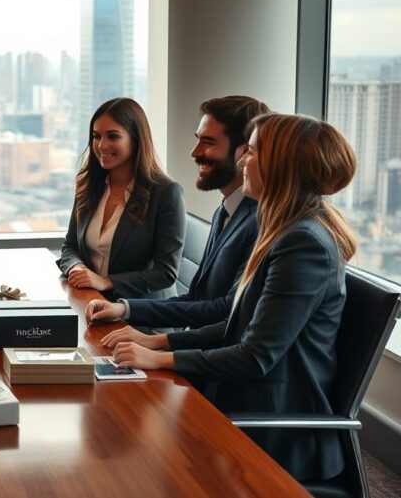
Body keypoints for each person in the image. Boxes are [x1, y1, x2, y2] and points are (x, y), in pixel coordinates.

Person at [102, 113, 358, 483]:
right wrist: (153, 340)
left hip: (273, 427)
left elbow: (255, 355)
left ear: (279, 165)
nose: (241, 161)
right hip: (245, 399)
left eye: (251, 152)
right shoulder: (285, 229)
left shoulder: (303, 243)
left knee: (132, 452)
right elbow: (239, 323)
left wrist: (159, 358)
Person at [86, 96, 270, 327]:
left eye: (209, 142)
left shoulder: (261, 222)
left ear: (243, 152)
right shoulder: (225, 212)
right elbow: (197, 301)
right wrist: (123, 309)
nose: (194, 152)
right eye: (198, 140)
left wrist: (159, 348)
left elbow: (228, 316)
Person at [57, 97, 186, 300]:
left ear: (136, 139)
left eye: (113, 136)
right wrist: (77, 268)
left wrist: (106, 282)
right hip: (93, 302)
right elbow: (70, 246)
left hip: (144, 315)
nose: (101, 145)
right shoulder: (89, 186)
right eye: (96, 136)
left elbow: (165, 273)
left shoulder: (166, 193)